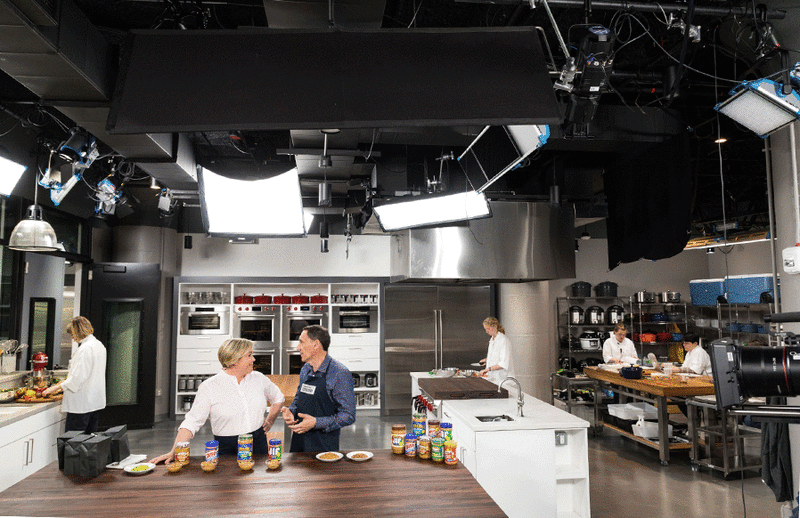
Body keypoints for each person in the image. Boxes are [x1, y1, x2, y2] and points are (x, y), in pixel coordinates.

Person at [149, 338, 284, 463]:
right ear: (234, 360)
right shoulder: (209, 386)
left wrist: (270, 421)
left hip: (258, 443)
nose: (253, 359)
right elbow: (192, 421)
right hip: (227, 448)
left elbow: (278, 398)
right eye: (249, 355)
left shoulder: (258, 378)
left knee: (259, 483)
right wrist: (174, 451)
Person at [281, 325, 356, 452]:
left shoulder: (339, 373)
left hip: (323, 446)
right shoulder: (306, 368)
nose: (298, 348)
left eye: (301, 342)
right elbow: (299, 397)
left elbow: (348, 415)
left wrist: (316, 422)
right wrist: (291, 411)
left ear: (316, 345)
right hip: (298, 442)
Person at [42, 316, 106, 433]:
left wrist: (55, 387)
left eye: (72, 333)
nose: (71, 337)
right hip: (94, 402)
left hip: (81, 406)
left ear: (78, 331)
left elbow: (77, 379)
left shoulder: (85, 349)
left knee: (74, 444)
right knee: (89, 442)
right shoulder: (98, 345)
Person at [479, 317, 513, 384]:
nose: (486, 331)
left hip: (502, 379)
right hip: (493, 378)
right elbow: (496, 356)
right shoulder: (492, 339)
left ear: (494, 327)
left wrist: (488, 369)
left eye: (488, 329)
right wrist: (487, 360)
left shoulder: (503, 340)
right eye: (485, 329)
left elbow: (503, 363)